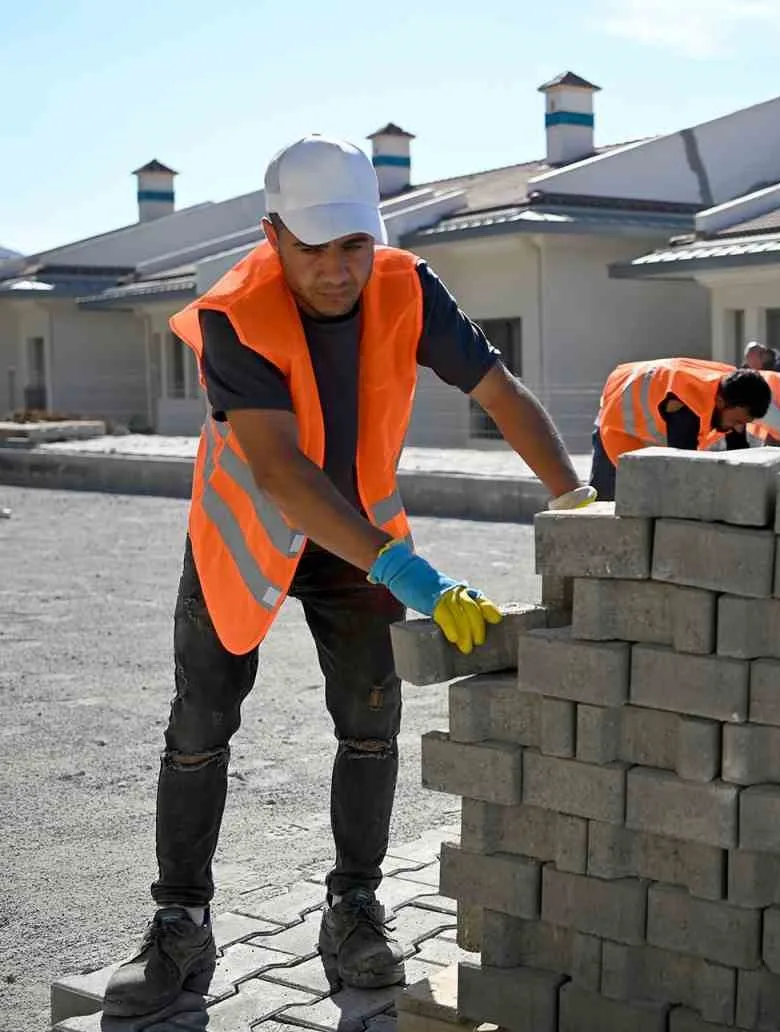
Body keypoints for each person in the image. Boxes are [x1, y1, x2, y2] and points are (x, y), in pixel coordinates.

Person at [103, 134, 594, 1018]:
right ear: (273, 234)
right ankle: (180, 922)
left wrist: (577, 497)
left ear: (377, 234)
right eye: (313, 248)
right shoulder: (236, 311)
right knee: (202, 721)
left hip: (356, 527)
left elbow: (500, 391)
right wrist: (414, 574)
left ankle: (354, 907)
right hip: (248, 529)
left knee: (372, 717)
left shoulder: (407, 285)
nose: (338, 270)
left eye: (354, 246)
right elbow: (283, 476)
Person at [588, 357, 772, 501]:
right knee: (606, 500)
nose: (738, 428)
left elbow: (738, 453)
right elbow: (682, 470)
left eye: (745, 422)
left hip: (651, 411)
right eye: (737, 421)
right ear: (720, 402)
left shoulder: (737, 389)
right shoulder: (685, 405)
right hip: (619, 423)